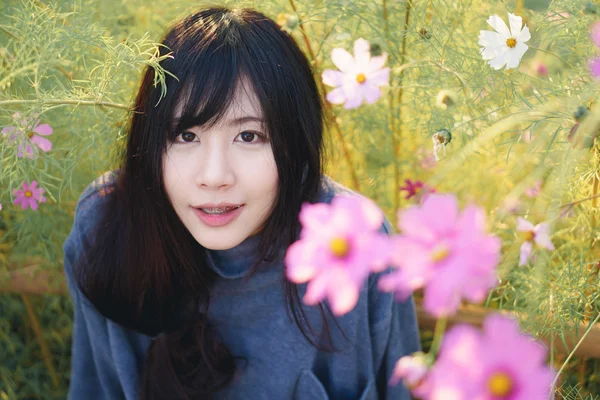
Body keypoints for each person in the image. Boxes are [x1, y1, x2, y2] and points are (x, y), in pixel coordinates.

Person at [63, 6, 420, 400]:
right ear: (150, 142)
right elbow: (94, 388)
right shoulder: (108, 225)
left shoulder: (357, 241)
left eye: (249, 136)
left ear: (295, 143)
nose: (215, 176)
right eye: (186, 135)